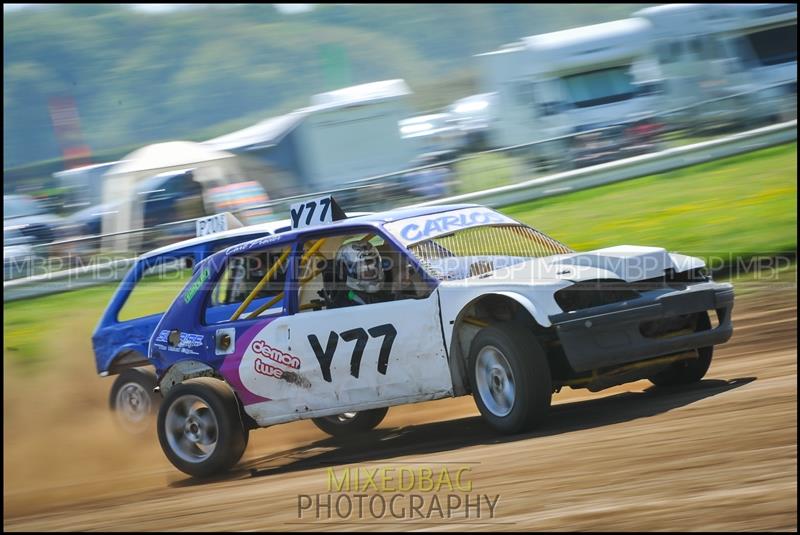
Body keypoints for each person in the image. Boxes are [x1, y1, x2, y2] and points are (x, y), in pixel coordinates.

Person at [330, 240, 392, 307]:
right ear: (345, 270)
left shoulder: (388, 290)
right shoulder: (341, 304)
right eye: (362, 267)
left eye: (373, 264)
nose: (370, 269)